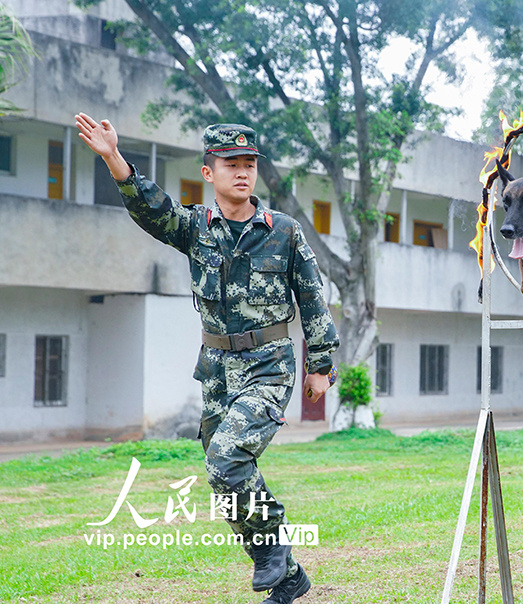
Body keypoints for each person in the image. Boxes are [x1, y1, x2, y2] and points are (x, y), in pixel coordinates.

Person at [75, 113, 339, 604]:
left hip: (269, 364)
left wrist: (321, 366)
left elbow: (312, 297)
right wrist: (113, 156)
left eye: (249, 164)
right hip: (217, 369)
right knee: (224, 480)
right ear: (208, 172)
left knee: (225, 457)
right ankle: (289, 577)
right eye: (231, 164)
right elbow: (152, 210)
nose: (242, 172)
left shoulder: (283, 231)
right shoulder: (196, 228)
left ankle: (271, 548)